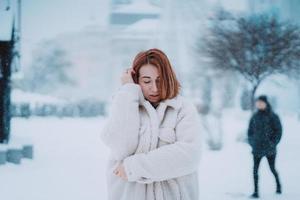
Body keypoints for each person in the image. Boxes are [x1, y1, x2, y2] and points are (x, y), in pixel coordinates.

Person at [100, 48, 202, 200]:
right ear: (136, 80)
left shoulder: (182, 109)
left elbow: (189, 155)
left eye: (160, 81)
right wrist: (128, 92)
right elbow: (121, 148)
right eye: (146, 81)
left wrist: (133, 167)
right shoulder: (124, 104)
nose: (154, 88)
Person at [247, 95, 282, 198]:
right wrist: (252, 142)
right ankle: (256, 192)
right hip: (257, 148)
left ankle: (278, 186)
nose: (259, 104)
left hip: (269, 149)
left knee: (272, 169)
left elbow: (278, 131)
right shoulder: (255, 116)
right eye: (258, 102)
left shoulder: (273, 116)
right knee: (255, 170)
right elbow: (249, 131)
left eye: (261, 102)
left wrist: (272, 143)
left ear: (266, 103)